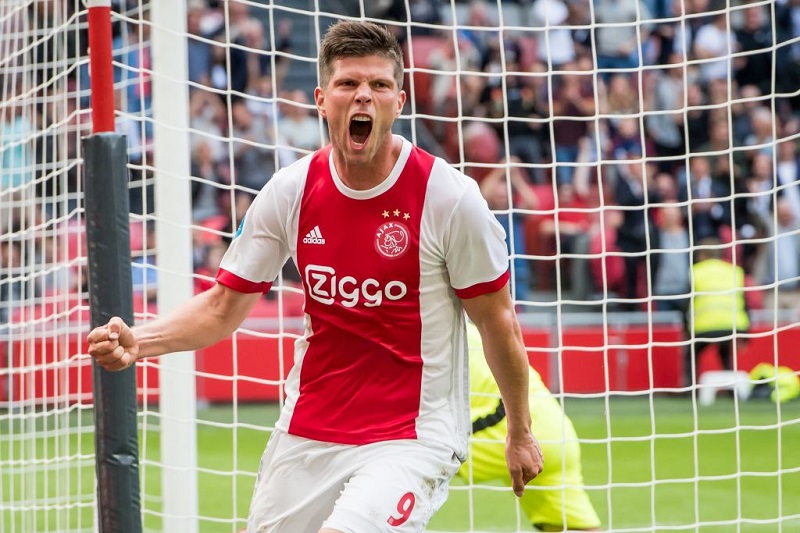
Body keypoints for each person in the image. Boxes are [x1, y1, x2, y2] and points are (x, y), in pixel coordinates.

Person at [87, 20, 543, 533]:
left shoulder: (449, 198)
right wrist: (140, 342)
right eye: (348, 83)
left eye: (379, 85)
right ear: (322, 100)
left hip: (411, 436)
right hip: (308, 431)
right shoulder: (290, 191)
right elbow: (221, 307)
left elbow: (497, 321)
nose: (363, 96)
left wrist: (520, 431)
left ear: (399, 101)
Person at [459, 322, 601, 531]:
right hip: (555, 429)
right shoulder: (474, 328)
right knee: (574, 528)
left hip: (506, 426)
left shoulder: (433, 333)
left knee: (414, 455)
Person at [686, 237, 750, 388]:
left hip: (704, 325)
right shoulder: (735, 271)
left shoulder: (695, 271)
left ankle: (690, 388)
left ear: (701, 255)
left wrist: (686, 328)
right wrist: (746, 333)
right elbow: (745, 302)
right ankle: (732, 388)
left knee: (691, 353)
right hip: (734, 325)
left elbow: (686, 303)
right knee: (724, 351)